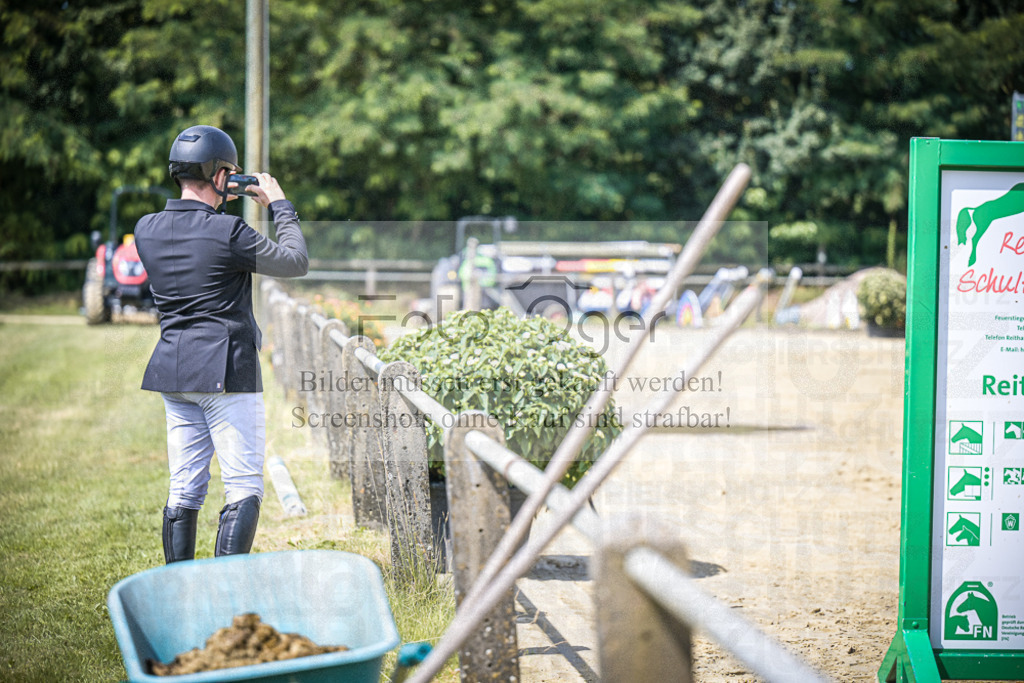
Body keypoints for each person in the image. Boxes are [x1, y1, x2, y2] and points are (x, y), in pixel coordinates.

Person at [134, 124, 308, 563]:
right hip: (226, 371)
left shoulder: (146, 228)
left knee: (184, 488)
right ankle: (224, 588)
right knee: (244, 486)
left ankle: (178, 586)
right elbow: (295, 261)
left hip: (173, 371)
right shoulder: (228, 232)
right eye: (229, 173)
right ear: (219, 175)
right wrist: (280, 206)